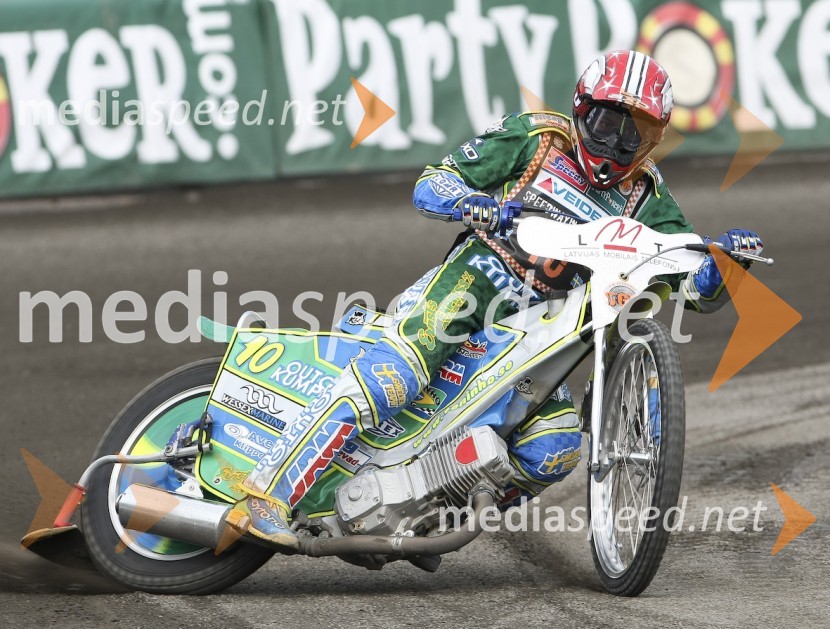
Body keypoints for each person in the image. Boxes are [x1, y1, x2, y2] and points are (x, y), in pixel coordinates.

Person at [225, 50, 764, 550]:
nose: (617, 144)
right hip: (472, 288)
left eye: (636, 133)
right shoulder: (535, 137)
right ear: (582, 110)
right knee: (392, 379)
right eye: (607, 124)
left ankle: (425, 517)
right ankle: (265, 491)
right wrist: (477, 204)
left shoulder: (648, 195)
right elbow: (431, 184)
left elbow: (691, 286)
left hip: (544, 333)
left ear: (655, 138)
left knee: (554, 447)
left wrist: (726, 264)